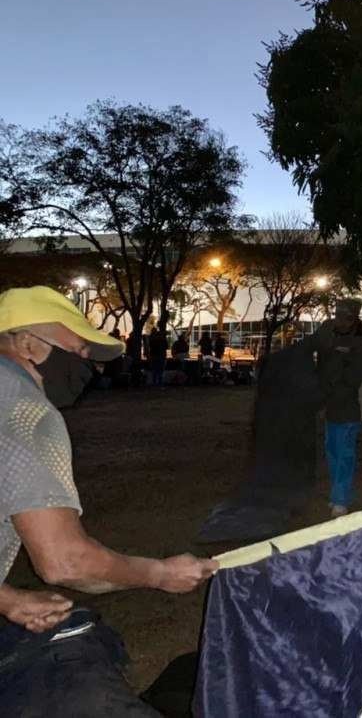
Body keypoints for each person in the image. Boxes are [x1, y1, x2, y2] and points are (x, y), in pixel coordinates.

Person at [0, 286, 217, 713]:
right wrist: (159, 574)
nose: (89, 367)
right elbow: (65, 561)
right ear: (27, 344)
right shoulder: (25, 409)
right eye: (79, 351)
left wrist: (8, 599)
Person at [316, 299, 362, 518]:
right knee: (332, 451)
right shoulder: (331, 336)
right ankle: (340, 494)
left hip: (351, 407)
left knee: (345, 453)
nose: (337, 319)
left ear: (352, 318)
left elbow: (355, 381)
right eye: (336, 314)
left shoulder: (360, 342)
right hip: (333, 407)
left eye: (343, 316)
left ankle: (341, 499)